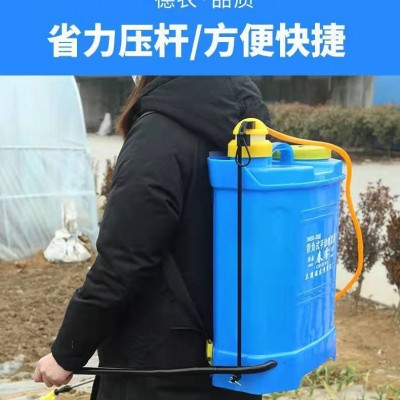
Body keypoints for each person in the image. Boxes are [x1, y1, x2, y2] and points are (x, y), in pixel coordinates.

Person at [33, 76, 271, 400]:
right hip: (233, 362)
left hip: (158, 371)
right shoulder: (247, 129)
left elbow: (123, 259)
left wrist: (66, 352)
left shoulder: (159, 136)